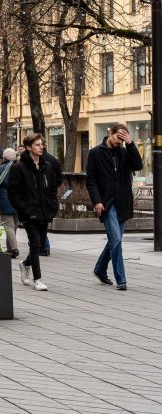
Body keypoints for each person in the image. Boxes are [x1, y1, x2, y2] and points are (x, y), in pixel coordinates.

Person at [86, 123, 143, 290]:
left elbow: (138, 166)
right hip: (106, 203)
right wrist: (97, 201)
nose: (120, 141)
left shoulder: (125, 153)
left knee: (114, 240)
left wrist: (131, 144)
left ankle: (100, 269)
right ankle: (121, 279)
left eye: (123, 138)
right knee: (116, 240)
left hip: (123, 202)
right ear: (110, 133)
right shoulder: (95, 153)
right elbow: (91, 180)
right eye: (118, 137)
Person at [8, 133, 59, 291]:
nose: (41, 147)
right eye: (37, 145)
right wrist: (25, 208)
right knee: (35, 243)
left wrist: (53, 206)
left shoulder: (47, 166)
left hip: (45, 212)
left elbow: (52, 188)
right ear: (29, 147)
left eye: (41, 144)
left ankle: (25, 264)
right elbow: (13, 193)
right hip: (29, 213)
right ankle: (37, 279)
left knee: (42, 244)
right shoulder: (19, 167)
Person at [0, 148, 20, 258]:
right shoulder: (19, 168)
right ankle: (10, 249)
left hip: (5, 200)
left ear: (4, 157)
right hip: (18, 200)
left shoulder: (0, 169)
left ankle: (14, 248)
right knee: (14, 226)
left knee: (9, 226)